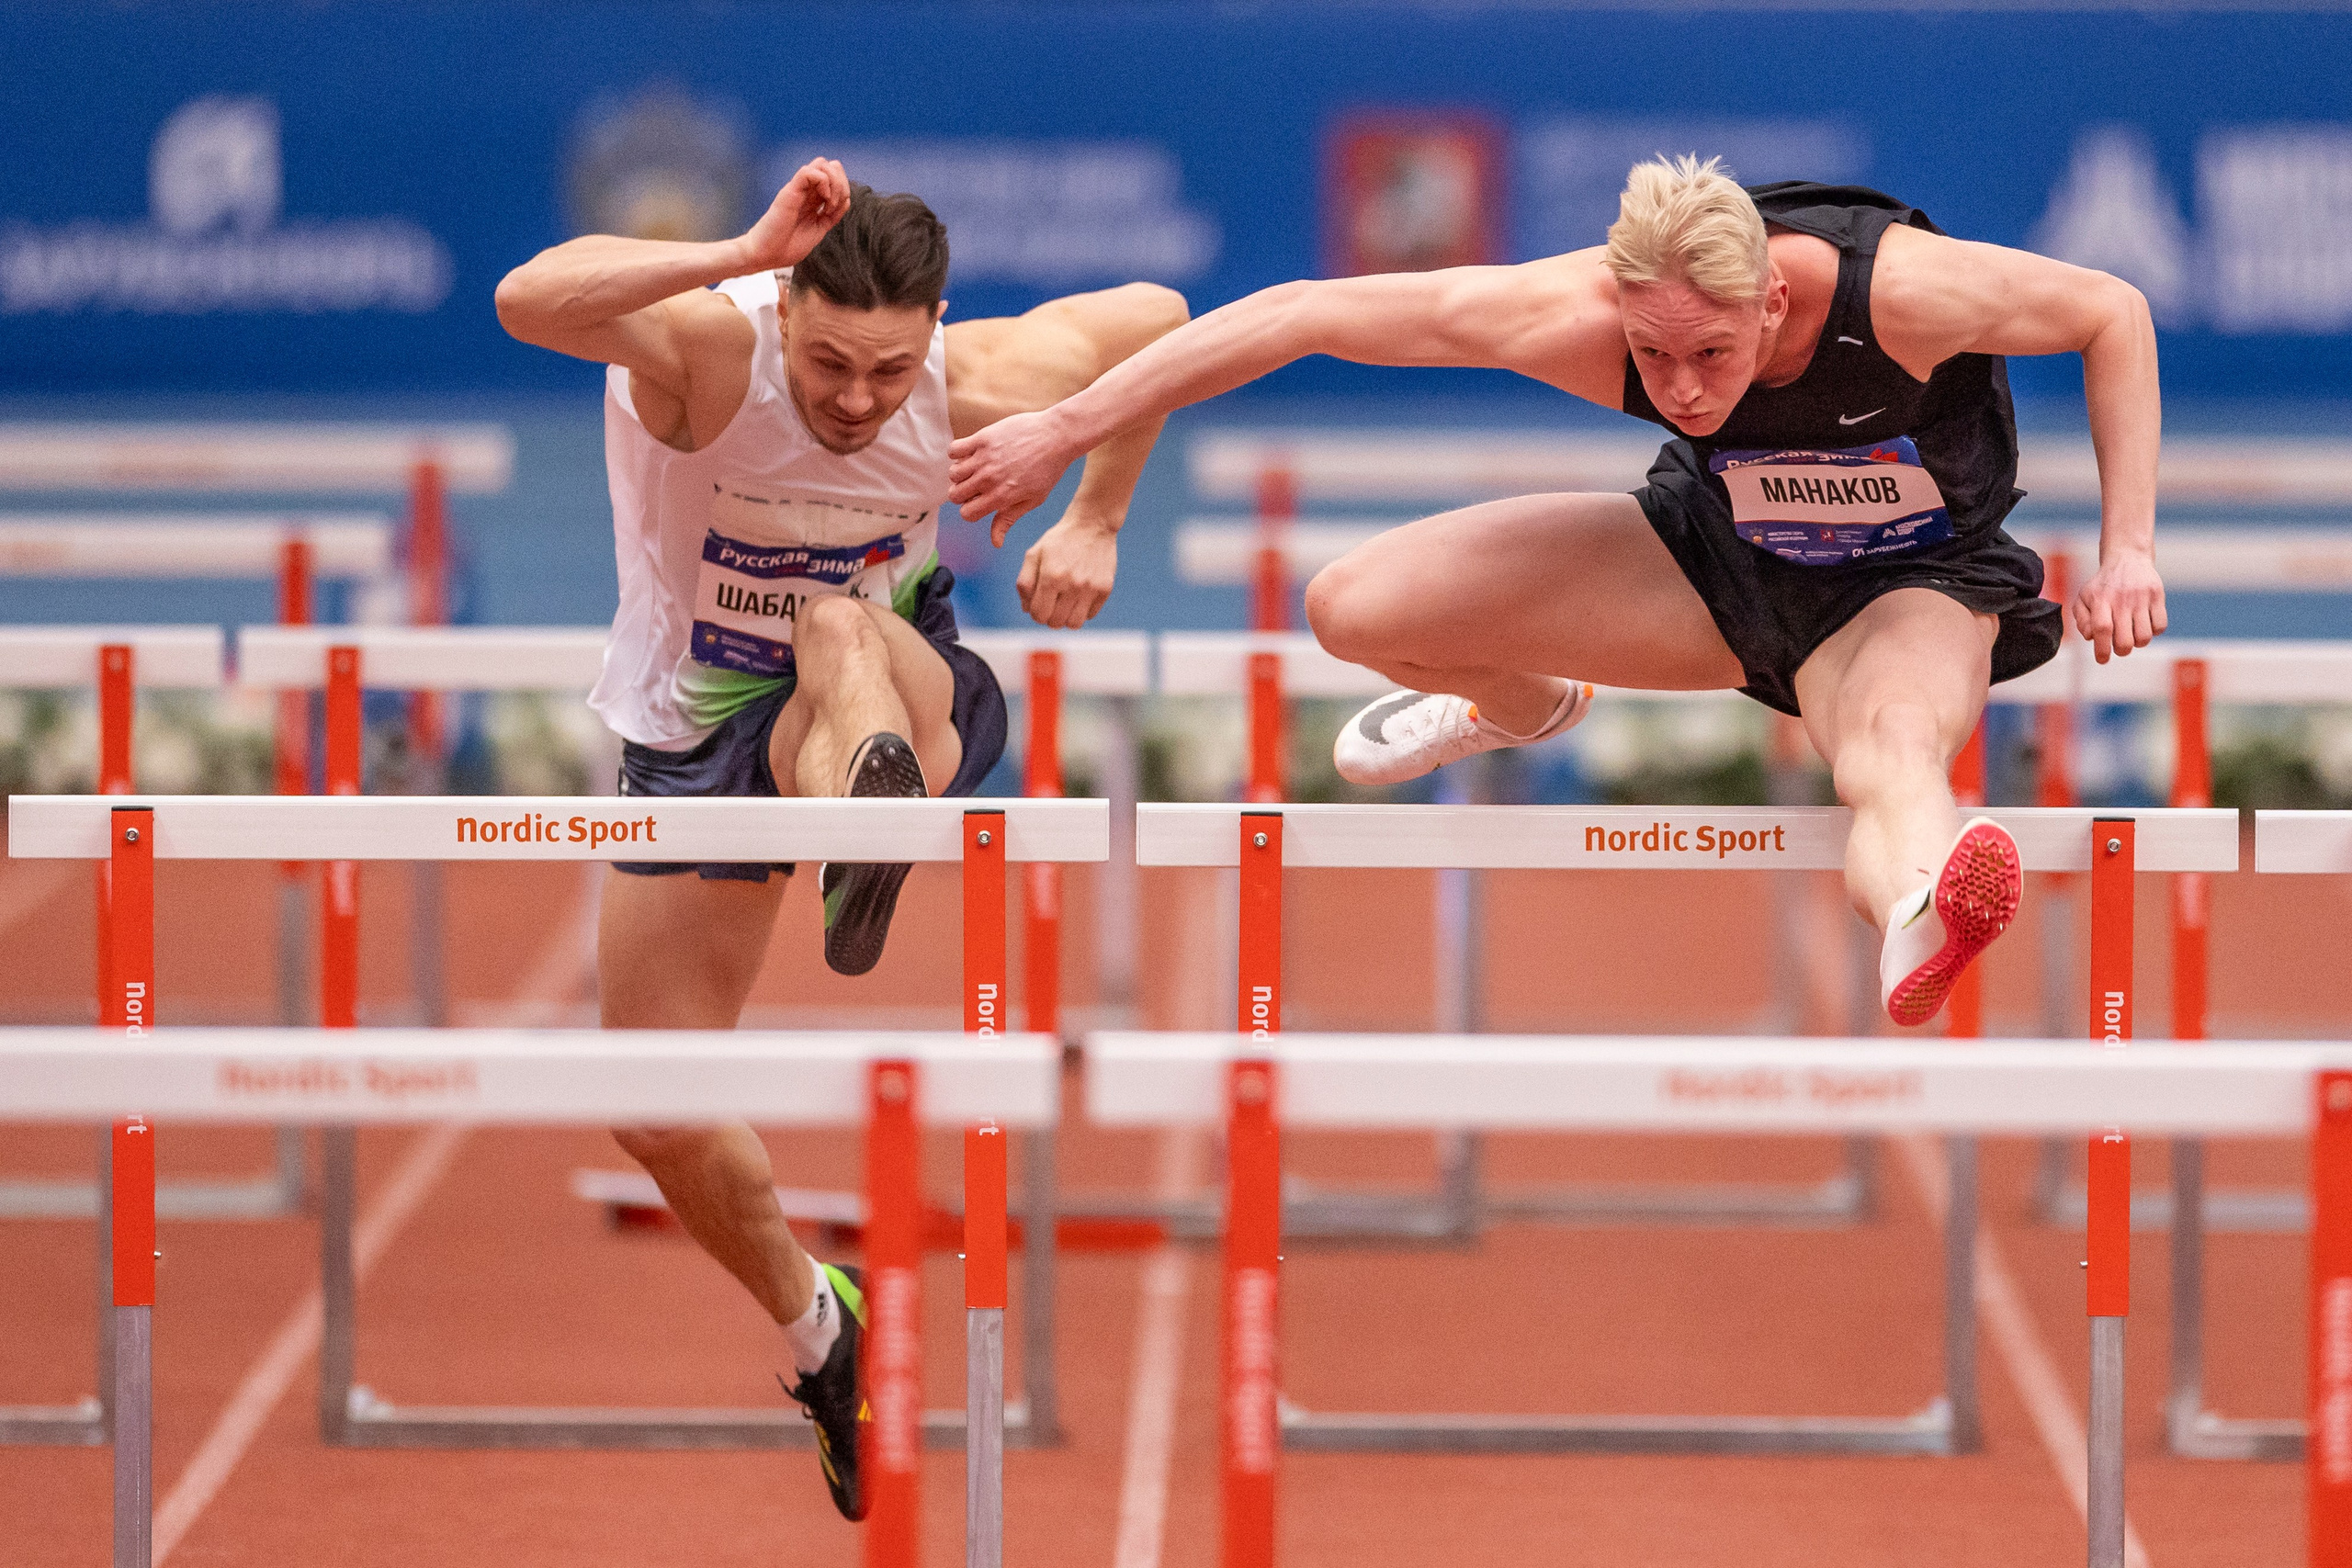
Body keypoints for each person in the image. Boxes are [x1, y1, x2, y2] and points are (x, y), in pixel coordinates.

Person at [949, 157, 2168, 1029]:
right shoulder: (1569, 314)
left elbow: (2111, 312)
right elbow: (1304, 315)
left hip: (1908, 585)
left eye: (1713, 354)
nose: (1680, 390)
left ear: (1775, 302)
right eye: (1652, 355)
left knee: (1891, 753)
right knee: (1353, 606)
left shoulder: (1901, 295)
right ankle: (1524, 706)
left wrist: (2129, 548)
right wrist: (1065, 426)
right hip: (1708, 561)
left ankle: (1920, 912)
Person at [495, 158, 1185, 1519]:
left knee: (837, 627)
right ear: (786, 314)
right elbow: (527, 298)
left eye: (889, 371)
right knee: (655, 1108)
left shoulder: (972, 380)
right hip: (701, 730)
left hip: (903, 689)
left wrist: (1095, 515)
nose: (859, 401)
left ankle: (871, 810)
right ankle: (826, 1330)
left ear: (935, 333)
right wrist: (737, 252)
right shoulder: (713, 349)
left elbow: (1159, 323)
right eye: (829, 364)